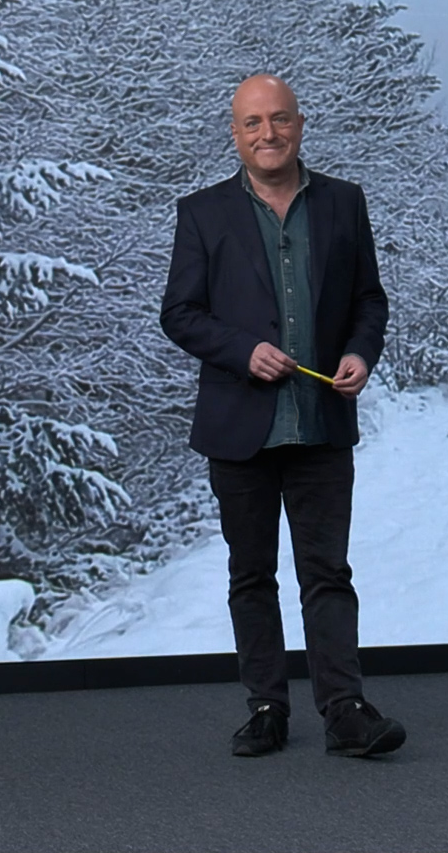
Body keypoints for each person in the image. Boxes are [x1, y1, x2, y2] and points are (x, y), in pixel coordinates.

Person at [159, 73, 407, 758]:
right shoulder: (202, 213)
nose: (267, 134)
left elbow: (369, 300)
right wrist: (244, 352)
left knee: (328, 572)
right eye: (252, 124)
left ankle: (345, 710)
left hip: (321, 423)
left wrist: (361, 352)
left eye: (279, 119)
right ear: (235, 134)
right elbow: (178, 313)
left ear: (301, 124)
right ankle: (267, 706)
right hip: (240, 428)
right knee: (251, 574)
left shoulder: (344, 204)